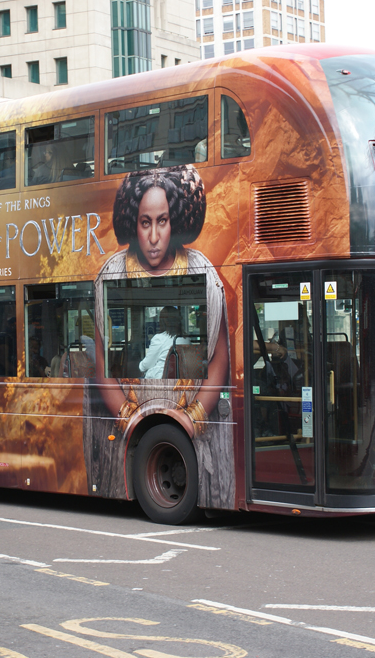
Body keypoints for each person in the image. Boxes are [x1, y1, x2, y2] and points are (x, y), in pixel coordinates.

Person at [86, 164, 234, 507]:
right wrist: (128, 415)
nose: (154, 236)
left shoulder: (201, 269)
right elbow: (102, 362)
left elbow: (220, 356)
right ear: (134, 224)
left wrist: (194, 416)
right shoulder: (111, 274)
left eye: (162, 221)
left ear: (174, 221)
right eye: (145, 222)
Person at [138, 306, 188, 379]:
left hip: (160, 379)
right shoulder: (186, 339)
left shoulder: (159, 338)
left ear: (163, 321)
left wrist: (141, 366)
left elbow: (148, 364)